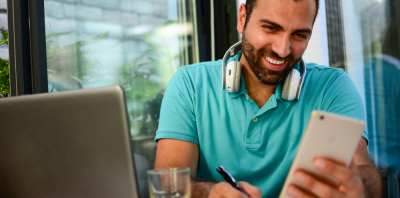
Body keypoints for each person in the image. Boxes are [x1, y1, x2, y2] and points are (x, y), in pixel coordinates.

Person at [154, 0, 381, 197]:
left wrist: (358, 188)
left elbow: (361, 168)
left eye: (299, 35)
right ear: (242, 18)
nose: (283, 50)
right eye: (271, 28)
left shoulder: (332, 87)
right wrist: (210, 192)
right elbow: (168, 179)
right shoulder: (190, 84)